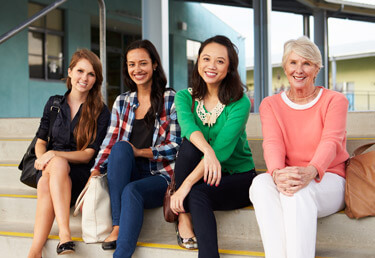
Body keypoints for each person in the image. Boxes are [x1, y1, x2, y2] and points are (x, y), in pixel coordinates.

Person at [249, 36, 349, 258]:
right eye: (293, 62)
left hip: (328, 178)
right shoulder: (271, 104)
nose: (299, 70)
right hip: (286, 176)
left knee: (296, 193)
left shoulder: (335, 100)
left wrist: (310, 171)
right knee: (260, 184)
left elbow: (331, 141)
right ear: (285, 67)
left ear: (316, 68)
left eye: (307, 63)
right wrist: (275, 173)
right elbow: (273, 142)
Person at [91, 39, 181, 258]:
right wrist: (95, 170)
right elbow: (110, 141)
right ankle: (118, 225)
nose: (137, 69)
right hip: (128, 171)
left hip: (160, 175)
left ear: (154, 65)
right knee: (120, 148)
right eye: (132, 64)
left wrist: (140, 152)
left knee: (132, 190)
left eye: (143, 63)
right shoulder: (123, 101)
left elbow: (177, 146)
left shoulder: (172, 98)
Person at [171, 35, 257, 258]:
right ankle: (184, 218)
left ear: (229, 68)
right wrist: (207, 151)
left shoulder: (240, 102)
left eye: (220, 61)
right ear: (198, 61)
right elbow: (188, 127)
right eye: (206, 58)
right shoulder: (183, 97)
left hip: (237, 177)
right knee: (190, 146)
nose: (211, 66)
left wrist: (185, 185)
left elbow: (223, 151)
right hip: (202, 171)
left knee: (197, 192)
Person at [27, 49, 111, 258]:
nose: (84, 78)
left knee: (55, 169)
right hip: (48, 170)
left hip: (79, 175)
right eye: (80, 71)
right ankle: (60, 240)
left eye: (91, 74)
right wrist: (42, 158)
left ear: (95, 80)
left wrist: (53, 154)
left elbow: (88, 154)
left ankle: (38, 250)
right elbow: (40, 141)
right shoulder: (54, 104)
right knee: (51, 173)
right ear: (70, 72)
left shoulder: (101, 110)